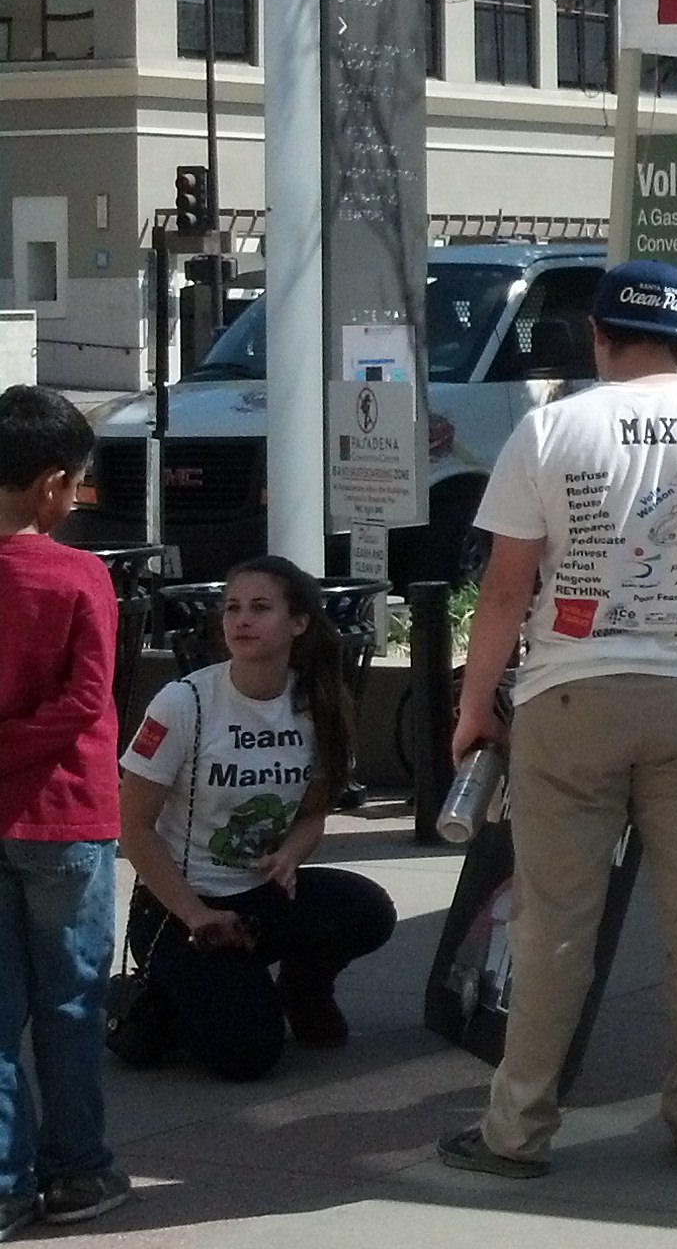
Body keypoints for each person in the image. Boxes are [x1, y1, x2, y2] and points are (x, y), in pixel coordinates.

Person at [438, 260, 677, 1179]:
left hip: (568, 699)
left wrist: (475, 705)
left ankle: (518, 1131)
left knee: (555, 922)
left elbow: (504, 588)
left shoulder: (550, 429)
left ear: (598, 334)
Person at [116, 555, 398, 1081]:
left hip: (262, 899)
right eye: (233, 608)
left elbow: (312, 815)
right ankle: (180, 991)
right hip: (183, 908)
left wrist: (290, 855)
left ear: (299, 623)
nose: (241, 620)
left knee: (367, 910)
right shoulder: (183, 703)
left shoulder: (318, 705)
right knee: (246, 1056)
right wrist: (197, 916)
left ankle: (300, 987)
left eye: (261, 608)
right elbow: (133, 828)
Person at [0, 385, 128, 1230]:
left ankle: (5, 1184)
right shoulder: (81, 574)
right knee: (73, 1004)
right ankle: (77, 1171)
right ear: (53, 483)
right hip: (66, 814)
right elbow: (86, 700)